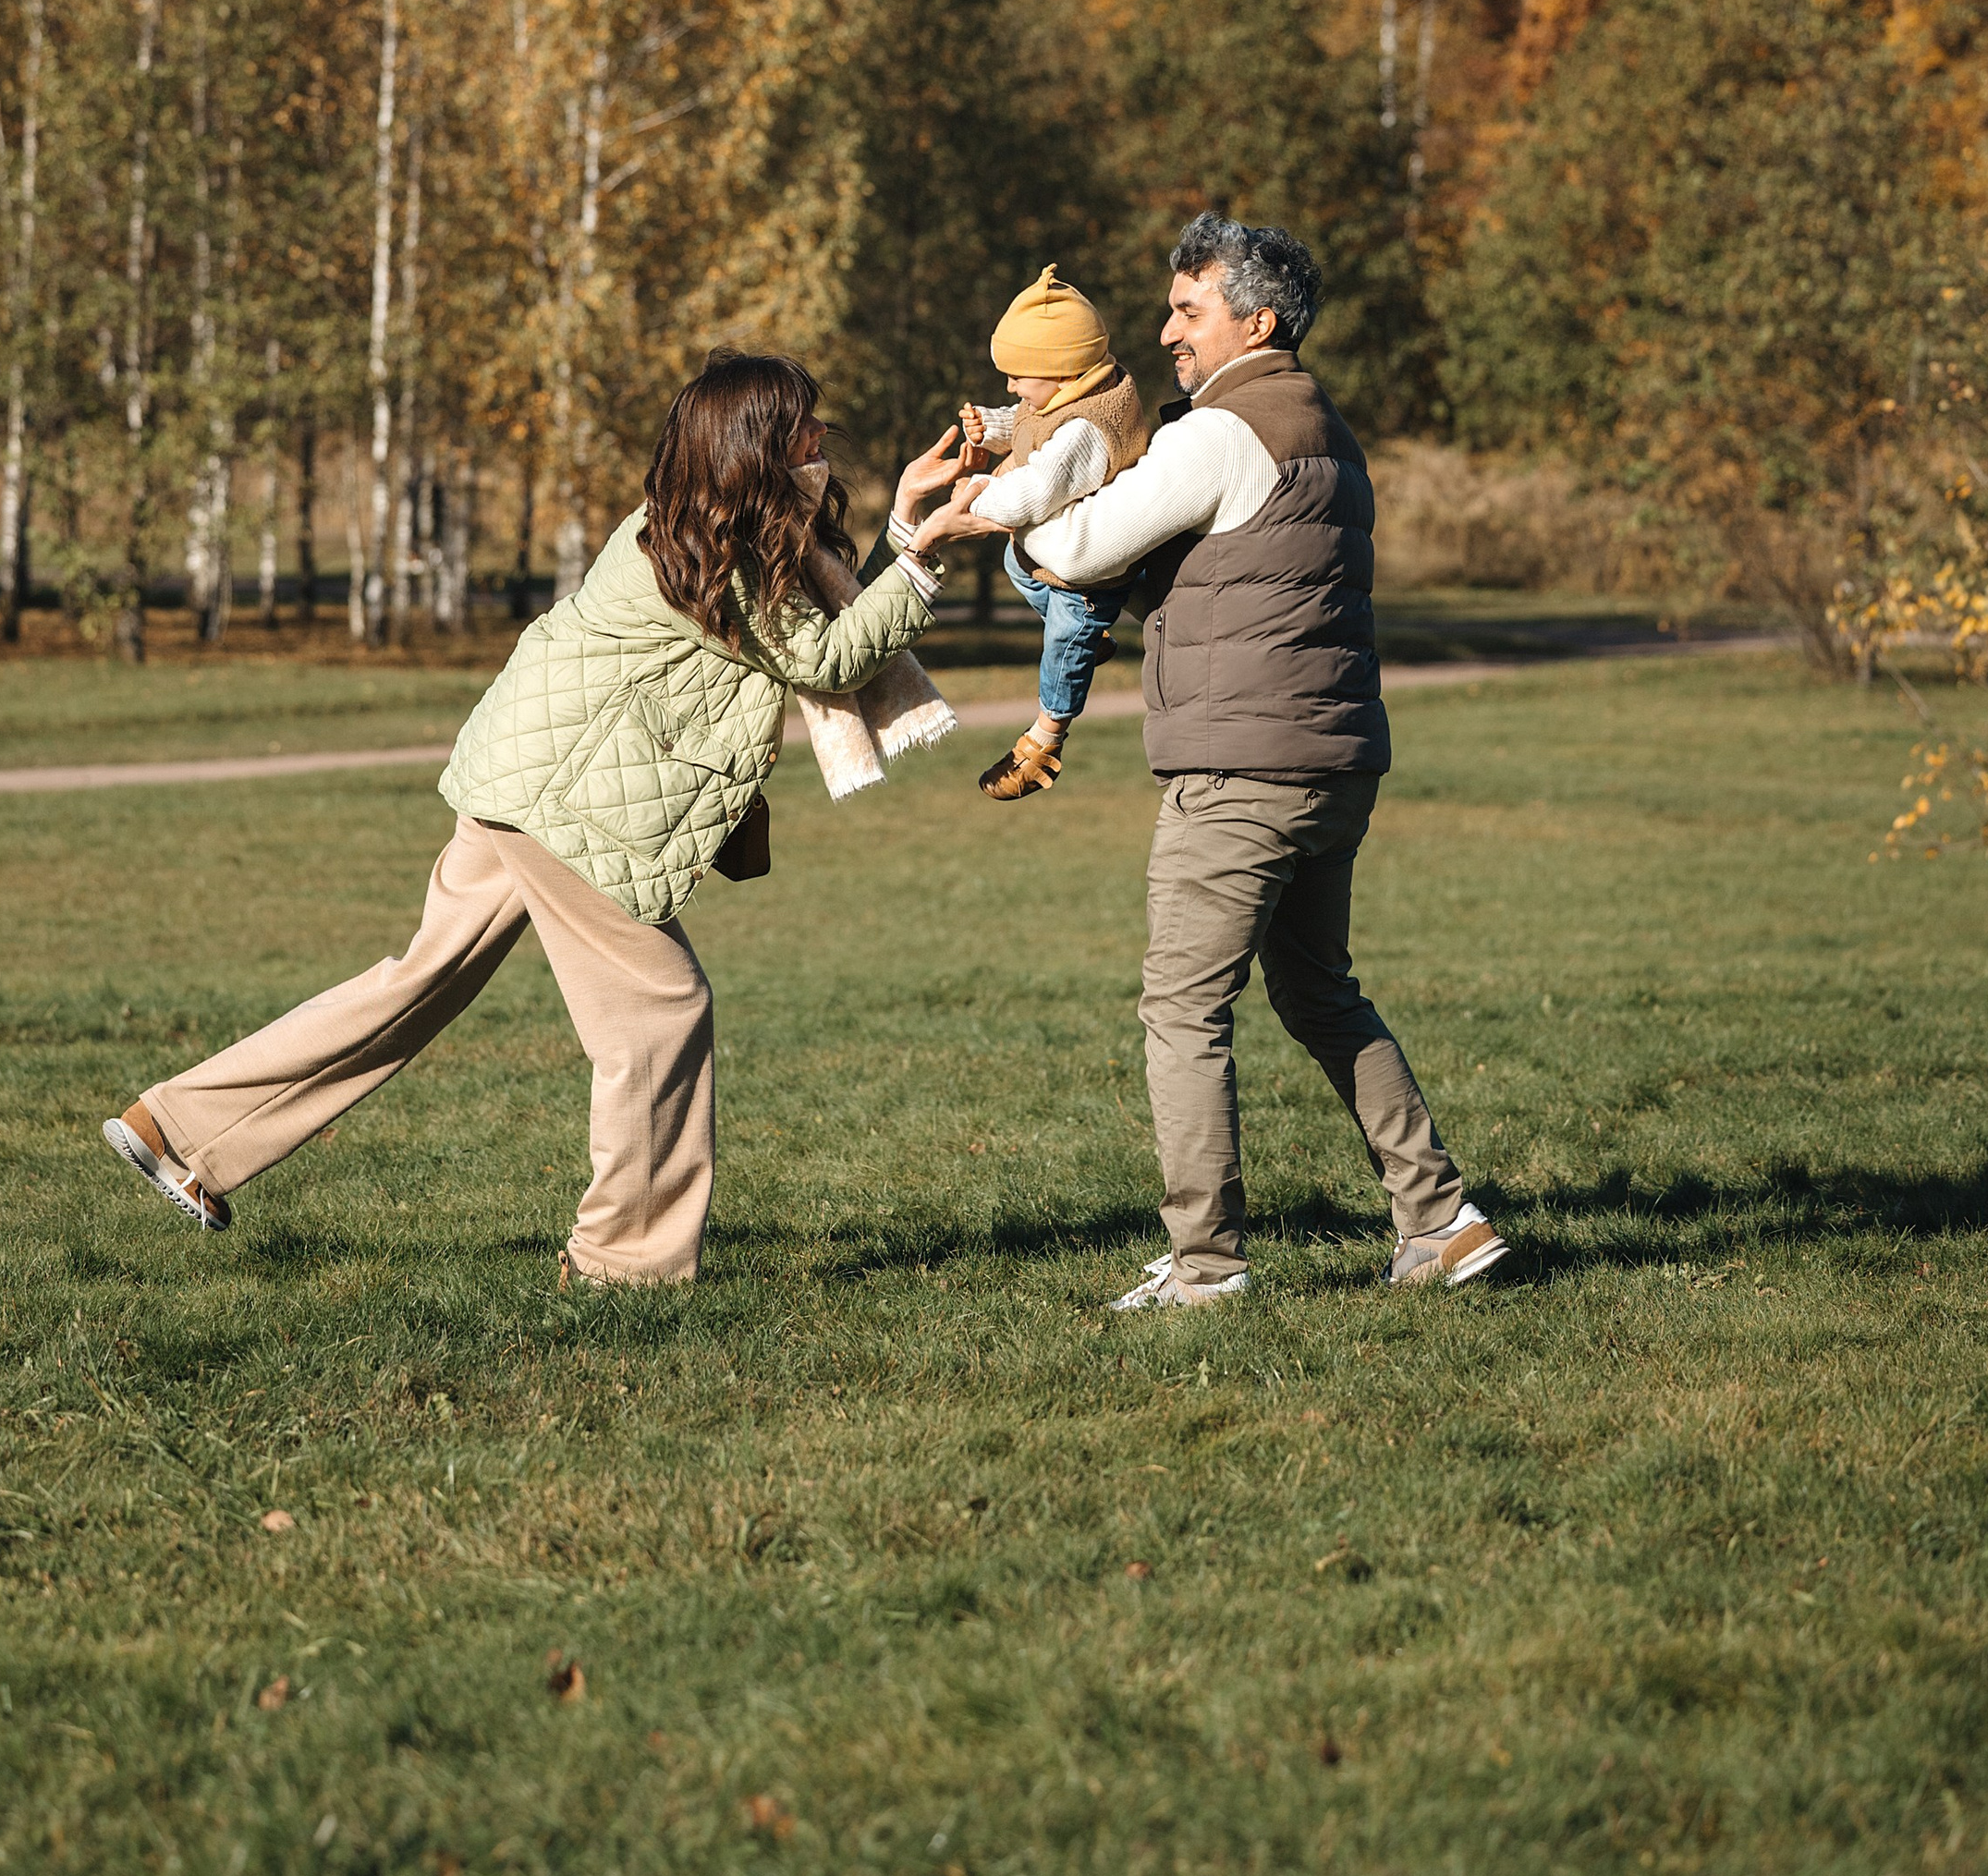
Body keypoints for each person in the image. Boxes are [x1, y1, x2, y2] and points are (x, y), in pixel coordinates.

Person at [101, 355, 981, 1286]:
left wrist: (902, 518)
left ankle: (181, 1130)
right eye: (801, 423)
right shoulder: (704, 563)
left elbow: (818, 615)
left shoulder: (692, 534)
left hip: (520, 779)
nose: (818, 435)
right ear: (754, 445)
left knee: (414, 985)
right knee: (660, 1012)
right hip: (569, 806)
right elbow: (828, 658)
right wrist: (922, 554)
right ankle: (623, 1264)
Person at [943, 213, 1506, 1307]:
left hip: (1240, 772)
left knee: (1182, 1009)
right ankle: (1440, 1222)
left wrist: (1002, 509)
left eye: (1188, 310)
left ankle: (1205, 1267)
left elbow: (1075, 547)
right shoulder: (1326, 429)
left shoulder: (1220, 433)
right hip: (1333, 763)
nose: (1165, 332)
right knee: (1318, 991)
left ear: (1257, 321)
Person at [953, 262, 1151, 802]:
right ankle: (1093, 642)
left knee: (1063, 639)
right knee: (1015, 564)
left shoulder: (1088, 430)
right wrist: (993, 428)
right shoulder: (1066, 396)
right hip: (1052, 558)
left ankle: (1046, 737)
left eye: (1019, 376)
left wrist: (977, 494)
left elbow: (1035, 491)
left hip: (1089, 574)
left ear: (1062, 374)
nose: (1011, 386)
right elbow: (1029, 426)